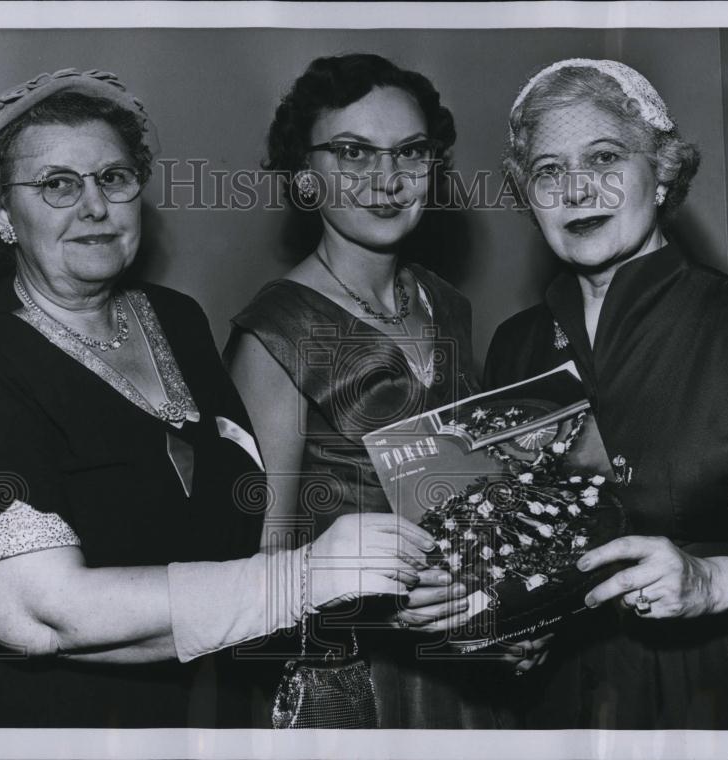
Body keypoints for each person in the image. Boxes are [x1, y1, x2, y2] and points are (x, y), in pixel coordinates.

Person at [0, 68, 433, 728]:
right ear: (3, 214)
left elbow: (241, 537)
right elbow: (40, 613)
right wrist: (306, 578)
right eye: (57, 186)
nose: (94, 207)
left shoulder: (176, 321)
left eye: (115, 178)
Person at [484, 58, 728, 729]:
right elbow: (515, 547)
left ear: (661, 174)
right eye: (547, 170)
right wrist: (513, 626)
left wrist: (716, 583)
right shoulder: (515, 346)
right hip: (570, 706)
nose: (575, 189)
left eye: (604, 157)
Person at [227, 54, 538, 728]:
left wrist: (513, 612)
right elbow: (261, 572)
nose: (386, 180)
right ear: (305, 174)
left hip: (466, 679)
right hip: (346, 685)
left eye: (410, 152)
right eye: (352, 153)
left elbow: (476, 512)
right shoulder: (274, 333)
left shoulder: (448, 306)